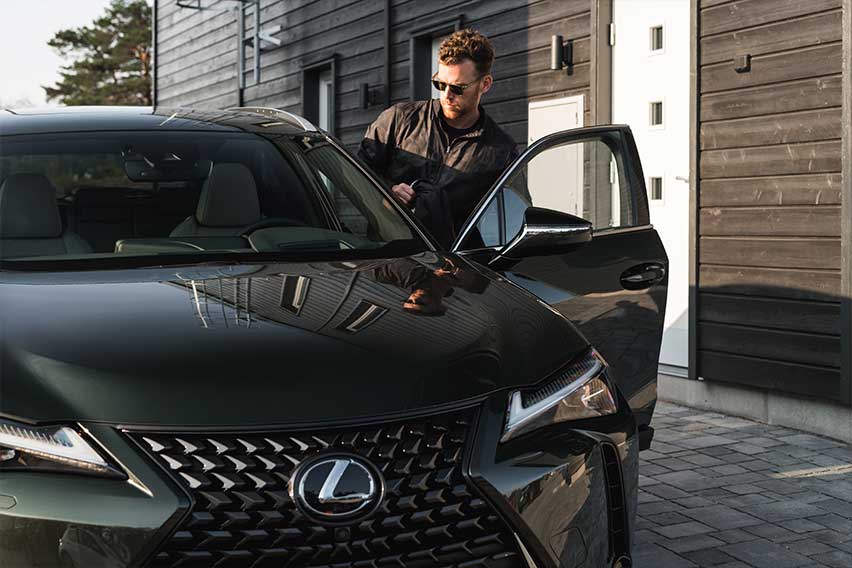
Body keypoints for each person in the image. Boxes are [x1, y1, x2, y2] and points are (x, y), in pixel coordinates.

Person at [357, 29, 518, 248]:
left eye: (458, 88)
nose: (446, 95)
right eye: (440, 84)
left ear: (485, 84)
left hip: (451, 263)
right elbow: (356, 175)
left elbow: (512, 221)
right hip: (387, 257)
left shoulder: (502, 151)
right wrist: (386, 193)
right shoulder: (399, 119)